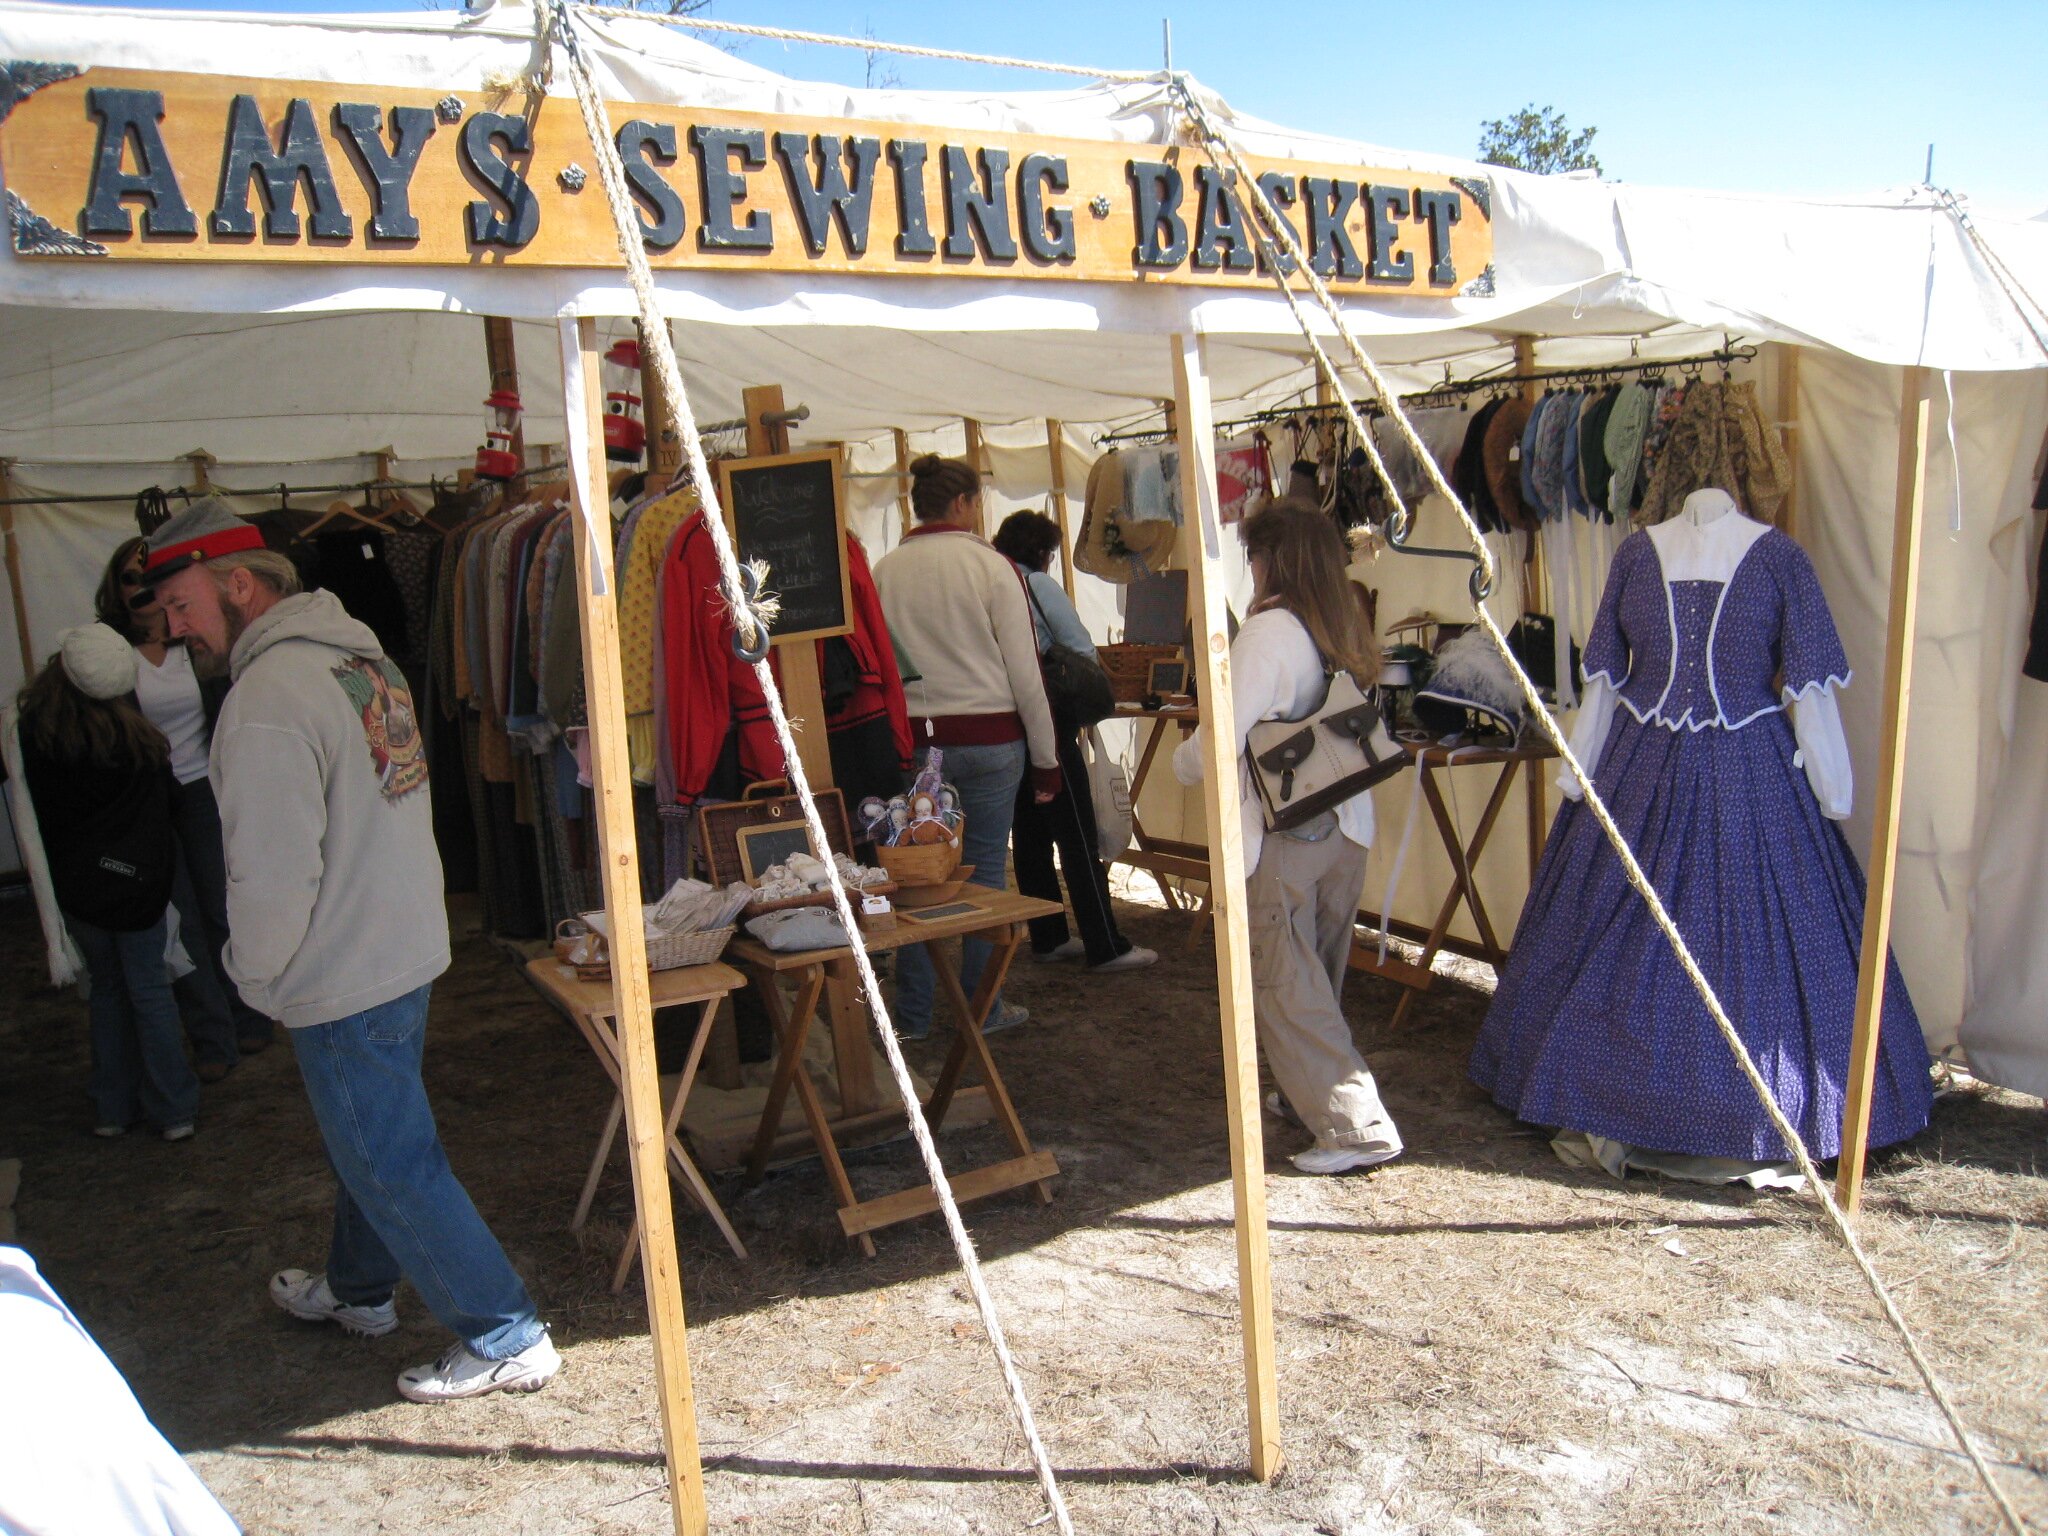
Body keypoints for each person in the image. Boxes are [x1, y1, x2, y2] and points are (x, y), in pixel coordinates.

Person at [143, 499, 559, 1403]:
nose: (174, 630)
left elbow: (270, 869)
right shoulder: (357, 660)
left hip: (343, 965)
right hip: (398, 942)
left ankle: (506, 1333)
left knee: (387, 1156)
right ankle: (360, 1288)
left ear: (239, 585)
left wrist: (254, 974)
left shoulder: (265, 698)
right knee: (367, 1139)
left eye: (181, 605)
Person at [1173, 500, 1403, 1175]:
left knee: (1285, 982)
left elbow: (1218, 739)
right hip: (1346, 824)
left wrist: (1182, 762)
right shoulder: (1340, 622)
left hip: (1289, 833)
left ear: (1269, 560)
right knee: (1315, 979)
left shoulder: (1269, 631)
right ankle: (1307, 1096)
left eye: (1252, 555)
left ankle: (1354, 1126)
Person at [874, 456, 1060, 1039]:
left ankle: (913, 1016)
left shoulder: (884, 571)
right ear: (963, 503)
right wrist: (1047, 760)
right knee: (983, 875)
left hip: (914, 741)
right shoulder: (992, 567)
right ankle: (983, 1007)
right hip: (990, 740)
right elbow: (1026, 672)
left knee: (914, 875)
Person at [96, 536, 275, 1079]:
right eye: (130, 578)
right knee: (181, 922)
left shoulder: (197, 642)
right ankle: (211, 1038)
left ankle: (249, 1015)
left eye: (150, 578)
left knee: (223, 907)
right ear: (115, 589)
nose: (141, 589)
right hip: (146, 799)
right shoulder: (109, 653)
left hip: (202, 788)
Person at [14, 624, 199, 1142]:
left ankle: (112, 1108)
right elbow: (173, 804)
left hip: (79, 889)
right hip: (139, 887)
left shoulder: (37, 739)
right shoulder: (140, 741)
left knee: (107, 991)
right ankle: (174, 1111)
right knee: (149, 990)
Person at [990, 510, 1155, 972]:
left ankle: (1048, 936)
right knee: (1077, 834)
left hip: (1007, 723)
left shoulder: (990, 585)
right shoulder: (1036, 585)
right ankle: (1105, 944)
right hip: (1048, 718)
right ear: (1043, 552)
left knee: (1029, 835)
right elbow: (1080, 646)